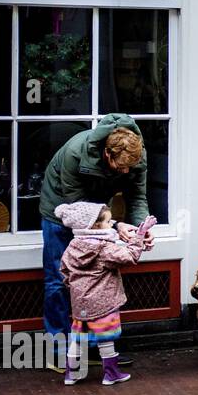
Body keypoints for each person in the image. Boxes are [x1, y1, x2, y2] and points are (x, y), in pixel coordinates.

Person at [38, 114, 152, 370]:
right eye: (120, 167)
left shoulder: (136, 157)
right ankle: (57, 350)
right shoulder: (75, 153)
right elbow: (78, 209)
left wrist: (140, 229)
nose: (125, 172)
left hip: (99, 211)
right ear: (107, 154)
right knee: (58, 280)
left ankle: (92, 347)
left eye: (129, 168)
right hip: (61, 210)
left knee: (96, 280)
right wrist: (114, 225)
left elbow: (137, 198)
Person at [56, 201, 151, 387]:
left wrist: (75, 288)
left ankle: (72, 374)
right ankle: (111, 373)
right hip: (104, 303)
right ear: (95, 226)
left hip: (80, 303)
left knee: (78, 337)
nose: (111, 225)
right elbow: (130, 256)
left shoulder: (73, 245)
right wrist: (139, 235)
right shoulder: (103, 248)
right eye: (108, 222)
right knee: (106, 338)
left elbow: (64, 271)